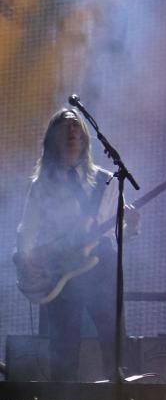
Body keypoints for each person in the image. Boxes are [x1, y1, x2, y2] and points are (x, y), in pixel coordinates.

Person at [15, 106, 139, 380]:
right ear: (53, 138)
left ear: (85, 136)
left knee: (114, 341)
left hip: (101, 267)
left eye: (76, 125)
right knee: (63, 347)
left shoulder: (107, 181)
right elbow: (27, 230)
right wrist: (27, 259)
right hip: (59, 273)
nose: (72, 130)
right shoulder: (42, 185)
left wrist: (132, 225)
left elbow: (118, 234)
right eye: (65, 126)